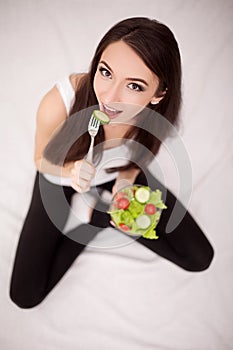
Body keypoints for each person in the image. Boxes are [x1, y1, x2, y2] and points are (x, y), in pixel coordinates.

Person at [9, 17, 214, 309]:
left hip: (114, 172)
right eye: (106, 72)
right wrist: (71, 170)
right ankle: (96, 222)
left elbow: (140, 154)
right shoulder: (60, 102)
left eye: (134, 85)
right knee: (24, 296)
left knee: (199, 258)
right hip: (60, 173)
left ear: (159, 94)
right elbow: (40, 159)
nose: (110, 96)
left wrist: (127, 178)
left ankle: (108, 218)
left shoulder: (154, 120)